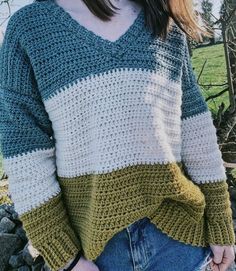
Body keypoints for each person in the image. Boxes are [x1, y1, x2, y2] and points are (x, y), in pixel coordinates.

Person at [0, 0, 235, 270]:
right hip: (96, 253)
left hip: (181, 244)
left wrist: (220, 222)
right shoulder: (31, 30)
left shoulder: (163, 23)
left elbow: (197, 134)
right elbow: (25, 156)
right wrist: (66, 258)